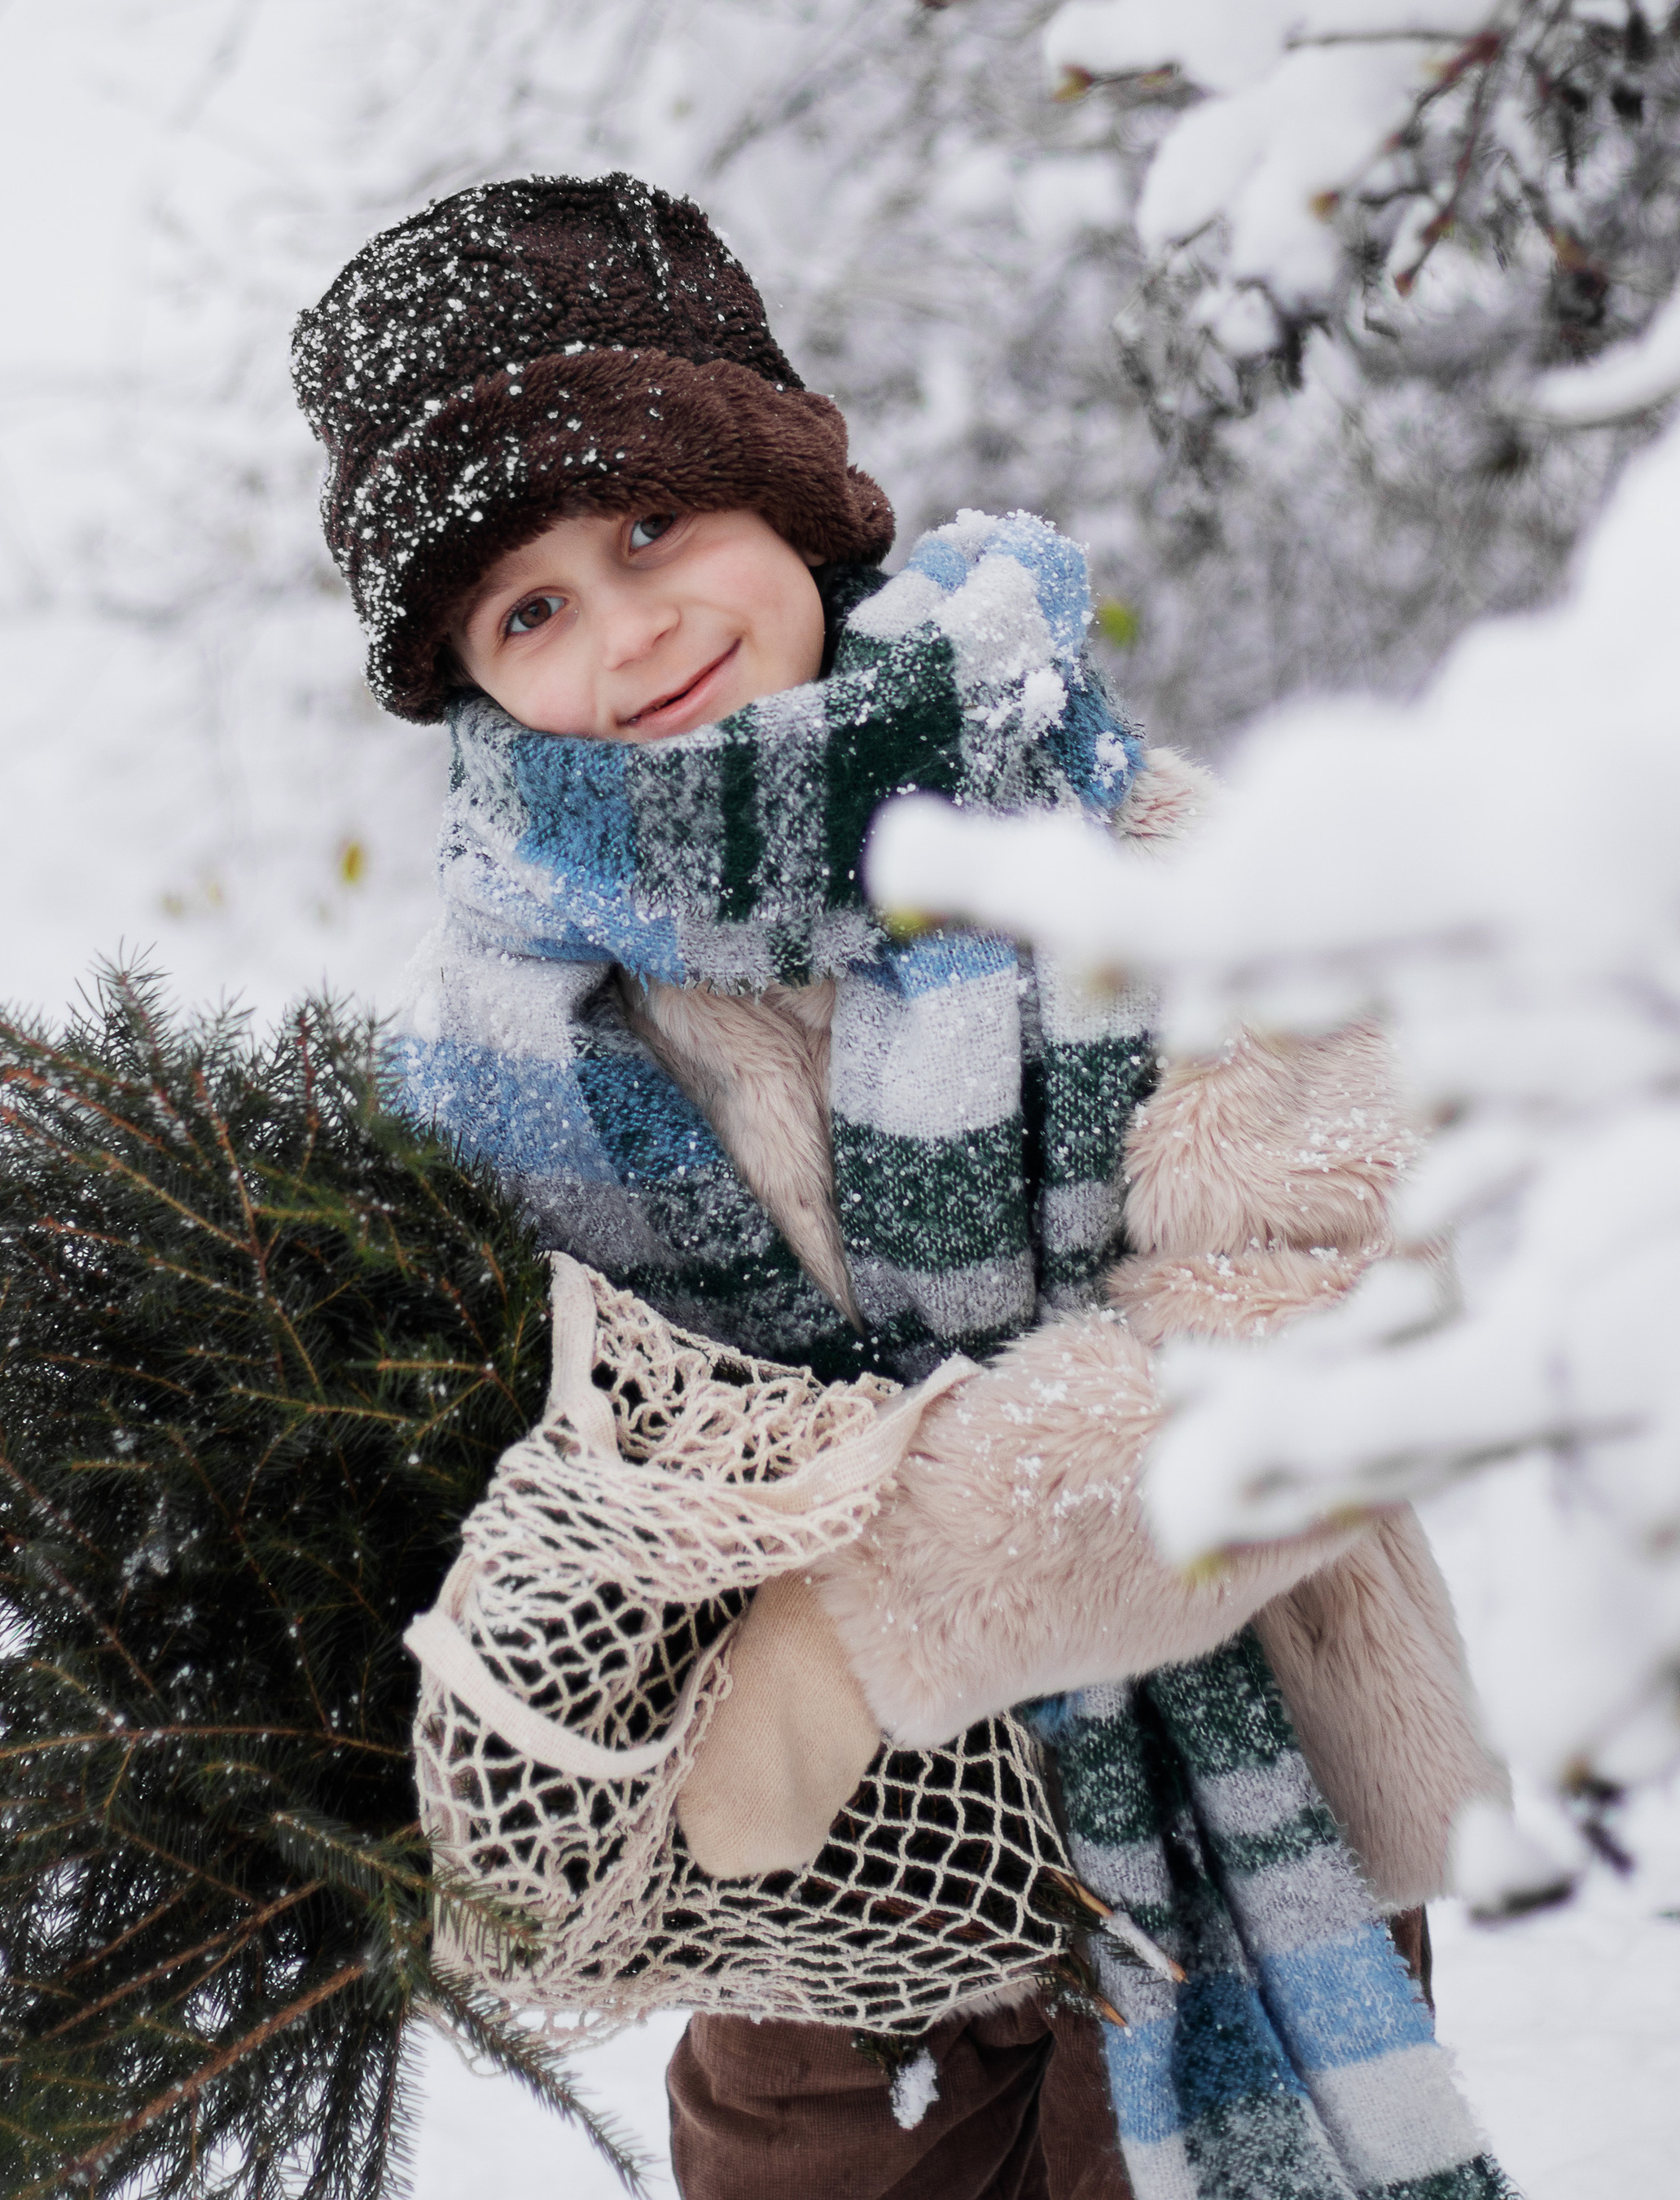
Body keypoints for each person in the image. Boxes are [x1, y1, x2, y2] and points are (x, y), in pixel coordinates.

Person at [292, 172, 1509, 2200]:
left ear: (783, 498)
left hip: (1230, 1837)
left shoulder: (1111, 851)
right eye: (526, 610)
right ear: (467, 679)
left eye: (651, 527)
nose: (627, 630)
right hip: (816, 1935)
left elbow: (1330, 1304)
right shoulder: (536, 1028)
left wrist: (872, 1627)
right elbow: (535, 1442)